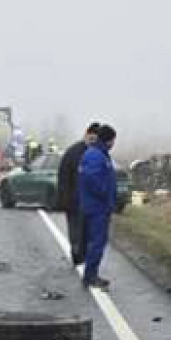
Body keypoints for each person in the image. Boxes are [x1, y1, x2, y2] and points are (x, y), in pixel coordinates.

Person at [78, 124, 117, 288]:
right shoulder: (96, 155)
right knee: (97, 242)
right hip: (97, 207)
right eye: (113, 140)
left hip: (96, 205)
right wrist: (105, 193)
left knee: (96, 242)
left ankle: (91, 274)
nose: (114, 143)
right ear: (108, 140)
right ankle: (90, 276)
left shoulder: (98, 153)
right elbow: (92, 179)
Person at [58, 123, 100, 265]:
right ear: (86, 135)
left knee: (88, 231)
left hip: (90, 201)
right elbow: (63, 177)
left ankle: (84, 254)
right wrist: (64, 199)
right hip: (74, 200)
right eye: (91, 138)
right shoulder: (73, 152)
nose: (93, 142)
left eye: (96, 140)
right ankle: (76, 253)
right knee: (75, 230)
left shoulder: (98, 154)